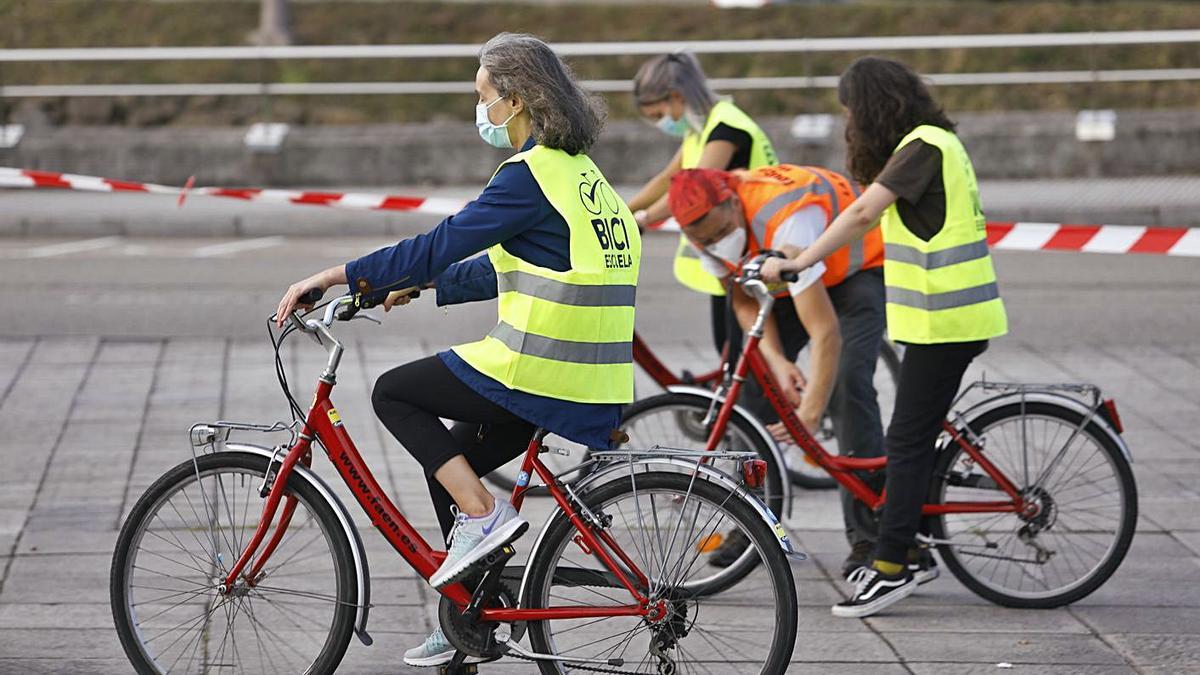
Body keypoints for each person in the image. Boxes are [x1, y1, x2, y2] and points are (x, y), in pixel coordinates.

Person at [275, 33, 641, 666]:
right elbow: (505, 265)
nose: (481, 112)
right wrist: (412, 286)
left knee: (395, 393)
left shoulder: (527, 177)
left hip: (541, 364)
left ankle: (484, 516)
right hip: (589, 372)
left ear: (518, 101)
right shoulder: (583, 177)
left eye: (484, 97)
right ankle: (466, 615)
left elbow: (441, 241)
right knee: (449, 458)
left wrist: (338, 276)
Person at [762, 56, 1008, 619]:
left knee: (905, 443)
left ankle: (893, 563)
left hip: (948, 324)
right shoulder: (927, 144)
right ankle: (914, 548)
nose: (848, 121)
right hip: (943, 322)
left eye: (850, 109)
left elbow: (863, 215)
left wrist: (800, 263)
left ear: (871, 106)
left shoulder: (923, 147)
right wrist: (802, 255)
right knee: (914, 437)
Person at [666, 165, 887, 575]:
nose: (716, 243)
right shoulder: (699, 231)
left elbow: (825, 333)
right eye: (705, 240)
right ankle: (753, 524)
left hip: (854, 270)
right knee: (750, 381)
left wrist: (809, 414)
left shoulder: (788, 219)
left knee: (847, 387)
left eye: (719, 232)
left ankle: (872, 539)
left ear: (732, 202)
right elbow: (746, 301)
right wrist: (778, 360)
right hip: (783, 277)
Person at [627, 51, 779, 355]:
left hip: (753, 252)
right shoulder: (702, 126)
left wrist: (642, 220)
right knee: (728, 352)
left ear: (675, 97)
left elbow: (690, 192)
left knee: (741, 357)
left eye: (659, 115)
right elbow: (667, 179)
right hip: (729, 253)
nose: (661, 123)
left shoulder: (725, 129)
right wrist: (620, 211)